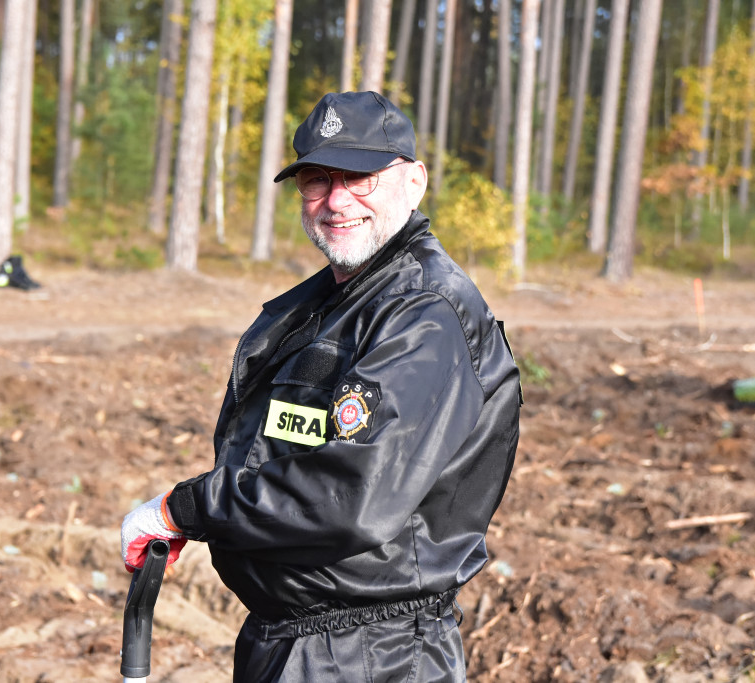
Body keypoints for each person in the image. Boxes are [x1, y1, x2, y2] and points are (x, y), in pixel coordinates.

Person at [121, 91, 522, 681]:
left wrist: (185, 509)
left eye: (361, 177)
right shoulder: (333, 304)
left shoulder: (423, 313)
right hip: (300, 643)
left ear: (413, 182)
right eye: (317, 180)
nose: (337, 201)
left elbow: (352, 496)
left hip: (370, 655)